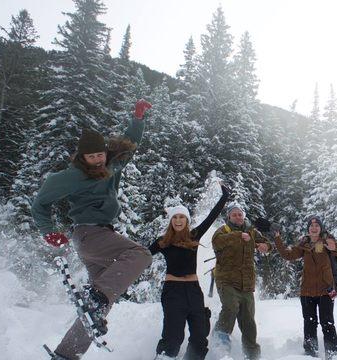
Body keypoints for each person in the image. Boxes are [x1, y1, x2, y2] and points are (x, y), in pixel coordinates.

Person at [32, 99, 154, 360]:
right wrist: (48, 230)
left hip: (100, 236)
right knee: (140, 255)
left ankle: (66, 354)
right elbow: (40, 203)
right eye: (91, 157)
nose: (97, 160)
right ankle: (96, 297)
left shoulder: (111, 165)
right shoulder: (71, 176)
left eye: (100, 155)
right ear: (82, 157)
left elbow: (131, 144)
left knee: (98, 306)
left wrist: (138, 119)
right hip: (89, 234)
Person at [148, 183, 230, 359]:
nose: (178, 220)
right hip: (173, 292)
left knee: (200, 337)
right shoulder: (162, 242)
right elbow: (142, 256)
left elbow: (211, 217)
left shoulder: (194, 236)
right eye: (175, 217)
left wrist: (224, 197)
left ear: (186, 221)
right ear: (171, 221)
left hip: (194, 291)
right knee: (173, 338)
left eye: (182, 217)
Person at [274, 215, 337, 359]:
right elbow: (287, 255)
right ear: (308, 229)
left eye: (317, 226)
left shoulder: (327, 242)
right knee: (309, 323)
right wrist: (277, 238)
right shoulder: (304, 245)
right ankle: (310, 354)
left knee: (327, 323)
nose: (314, 228)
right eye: (311, 226)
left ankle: (333, 355)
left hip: (326, 291)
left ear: (320, 229)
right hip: (307, 291)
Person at [211, 203, 271, 360]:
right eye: (234, 214)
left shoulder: (252, 231)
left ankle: (252, 355)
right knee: (230, 307)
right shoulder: (223, 230)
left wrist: (265, 246)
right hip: (227, 280)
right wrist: (238, 236)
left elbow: (267, 244)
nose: (237, 217)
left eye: (240, 214)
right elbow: (216, 242)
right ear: (229, 217)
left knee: (249, 322)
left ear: (244, 216)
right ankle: (219, 344)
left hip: (247, 284)